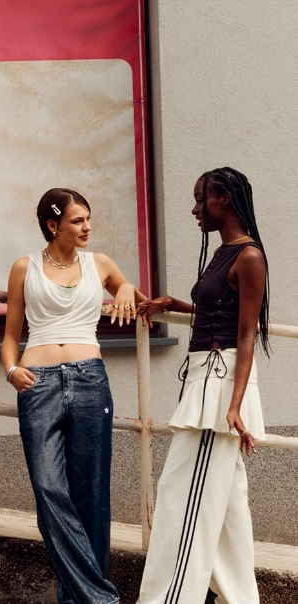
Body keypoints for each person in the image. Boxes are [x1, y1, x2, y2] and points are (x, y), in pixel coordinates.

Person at [2, 188, 146, 604]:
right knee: (48, 489)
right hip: (38, 383)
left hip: (89, 382)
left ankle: (79, 600)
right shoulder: (24, 267)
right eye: (77, 221)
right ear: (53, 225)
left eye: (88, 219)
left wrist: (125, 286)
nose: (87, 227)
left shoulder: (99, 263)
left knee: (92, 494)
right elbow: (10, 337)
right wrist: (10, 370)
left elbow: (133, 295)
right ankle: (100, 598)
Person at [135, 167, 270, 604]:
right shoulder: (224, 252)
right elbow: (217, 309)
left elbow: (246, 335)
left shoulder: (249, 256)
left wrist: (234, 406)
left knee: (181, 498)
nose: (195, 209)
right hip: (206, 379)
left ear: (224, 199)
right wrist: (172, 304)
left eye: (201, 199)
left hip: (220, 388)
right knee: (227, 510)